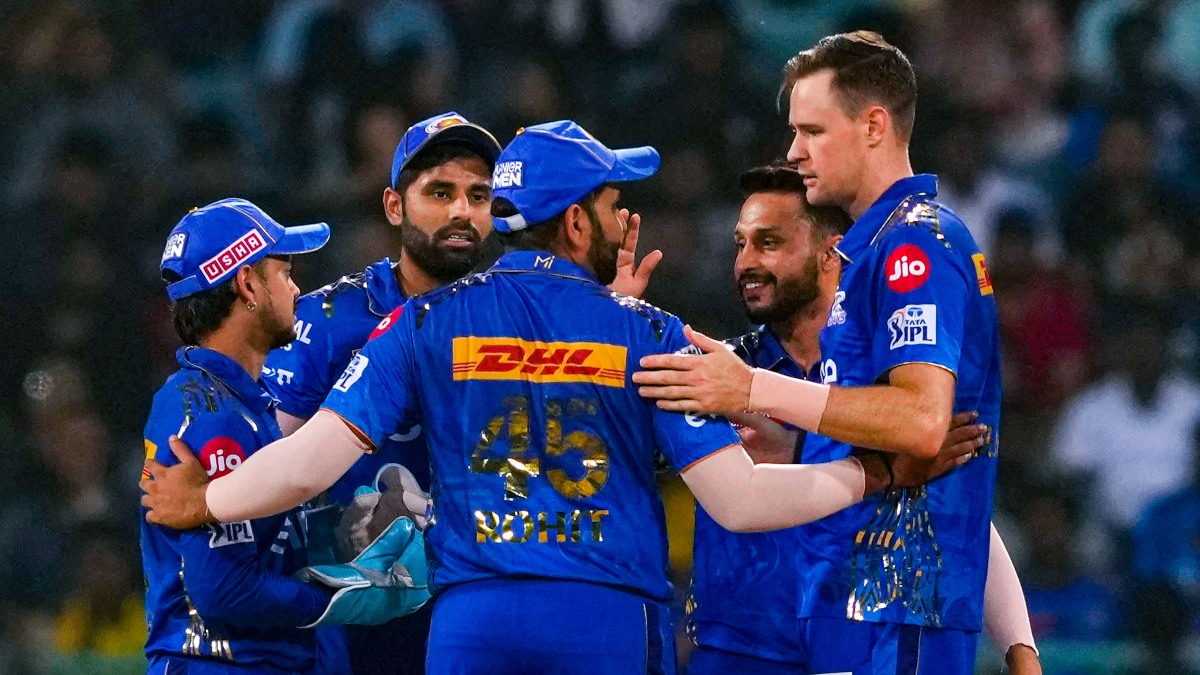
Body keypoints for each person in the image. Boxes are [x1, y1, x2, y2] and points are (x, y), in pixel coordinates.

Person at [140, 121, 974, 674]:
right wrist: (875, 474)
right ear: (576, 223)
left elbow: (305, 463)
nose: (624, 214)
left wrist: (204, 500)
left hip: (472, 624)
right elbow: (742, 499)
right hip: (603, 621)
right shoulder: (644, 331)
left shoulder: (421, 321)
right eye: (612, 202)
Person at [636, 32, 1033, 673]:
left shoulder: (914, 247)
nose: (796, 151)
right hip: (845, 611)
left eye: (813, 131)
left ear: (873, 126)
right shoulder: (870, 255)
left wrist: (752, 390)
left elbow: (922, 423)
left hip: (897, 607)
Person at [260, 110, 662, 674]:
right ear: (394, 206)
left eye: (479, 195)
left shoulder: (524, 311)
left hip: (489, 596)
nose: (461, 212)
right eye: (439, 192)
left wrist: (596, 312)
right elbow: (272, 462)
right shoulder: (327, 321)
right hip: (366, 615)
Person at [685, 162, 1039, 674]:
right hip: (741, 650)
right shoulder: (719, 372)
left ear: (833, 253)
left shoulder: (890, 388)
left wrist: (1019, 646)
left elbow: (954, 506)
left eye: (769, 243)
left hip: (856, 640)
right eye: (741, 244)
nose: (745, 263)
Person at [142, 198, 427, 674]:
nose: (296, 288)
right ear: (248, 284)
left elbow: (259, 543)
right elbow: (223, 589)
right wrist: (337, 597)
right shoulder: (211, 415)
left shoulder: (239, 403)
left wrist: (337, 532)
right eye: (285, 272)